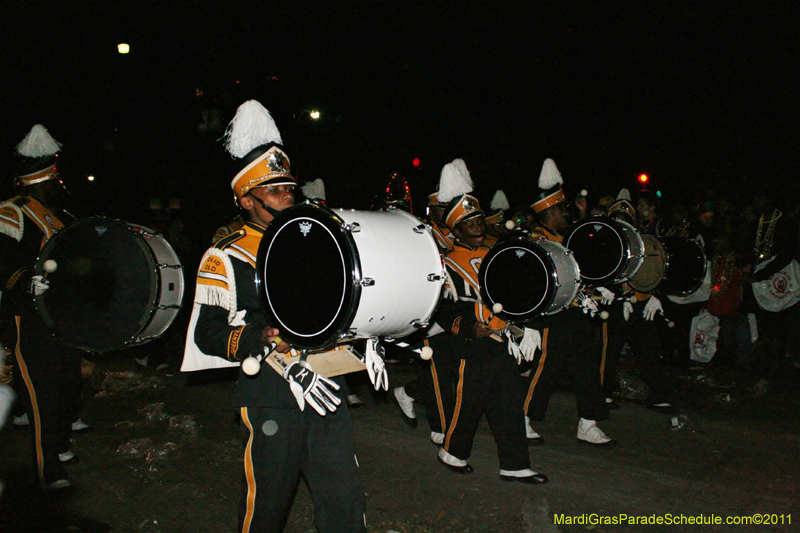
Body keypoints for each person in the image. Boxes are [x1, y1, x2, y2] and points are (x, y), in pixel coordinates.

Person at [182, 100, 366, 533]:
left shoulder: (316, 245)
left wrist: (365, 336)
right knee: (268, 505)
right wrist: (259, 336)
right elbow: (208, 333)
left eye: (289, 189)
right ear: (247, 199)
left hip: (327, 383)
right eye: (276, 191)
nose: (288, 197)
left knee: (345, 498)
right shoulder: (225, 255)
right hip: (269, 393)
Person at [433, 158, 546, 483]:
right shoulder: (446, 263)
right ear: (456, 228)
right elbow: (443, 309)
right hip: (473, 342)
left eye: (480, 219)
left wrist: (530, 324)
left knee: (508, 401)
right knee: (470, 402)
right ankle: (452, 451)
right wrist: (470, 325)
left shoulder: (499, 251)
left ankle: (514, 464)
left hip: (504, 339)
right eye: (470, 222)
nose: (479, 225)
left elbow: (521, 291)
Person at [0, 124, 82, 490]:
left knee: (65, 386)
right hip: (26, 319)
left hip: (58, 320)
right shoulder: (11, 213)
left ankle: (59, 445)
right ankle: (46, 468)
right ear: (42, 182)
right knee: (42, 394)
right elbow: (4, 267)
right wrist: (25, 281)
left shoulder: (58, 216)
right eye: (55, 181)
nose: (59, 187)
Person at [523, 158, 615, 446]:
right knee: (546, 367)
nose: (567, 212)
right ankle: (521, 416)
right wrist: (530, 324)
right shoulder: (538, 241)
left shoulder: (567, 236)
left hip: (577, 312)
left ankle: (588, 422)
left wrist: (598, 288)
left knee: (587, 368)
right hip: (552, 314)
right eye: (562, 208)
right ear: (550, 211)